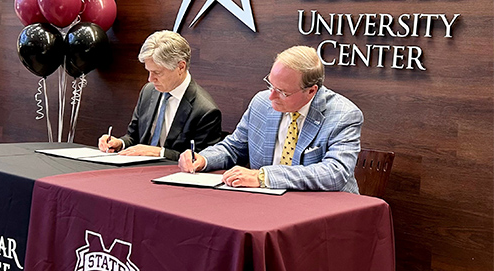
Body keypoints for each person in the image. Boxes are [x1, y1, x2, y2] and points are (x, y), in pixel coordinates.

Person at [179, 45, 363, 191]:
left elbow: (334, 173)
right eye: (270, 85)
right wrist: (204, 159)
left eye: (282, 92)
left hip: (324, 212)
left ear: (311, 91)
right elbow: (234, 148)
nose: (271, 97)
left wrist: (264, 177)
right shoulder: (261, 103)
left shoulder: (343, 115)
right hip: (265, 203)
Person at [98, 30, 222, 161]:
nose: (150, 79)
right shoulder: (149, 91)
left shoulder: (205, 111)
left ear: (180, 67)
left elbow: (201, 160)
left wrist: (160, 153)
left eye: (157, 72)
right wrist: (119, 143)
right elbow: (134, 137)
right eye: (148, 71)